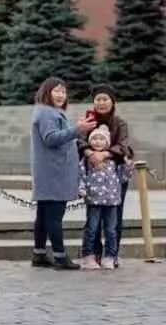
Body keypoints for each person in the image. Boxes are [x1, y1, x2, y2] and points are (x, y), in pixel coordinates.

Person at [31, 77, 96, 270]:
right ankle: (60, 257)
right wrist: (77, 130)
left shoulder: (48, 111)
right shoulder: (47, 113)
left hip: (51, 171)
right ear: (46, 92)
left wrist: (76, 129)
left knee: (43, 215)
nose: (61, 95)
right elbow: (51, 139)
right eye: (56, 91)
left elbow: (61, 137)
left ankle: (39, 254)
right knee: (54, 217)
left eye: (63, 91)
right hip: (54, 173)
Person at [77, 83, 133, 267]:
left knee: (114, 217)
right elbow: (78, 140)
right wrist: (90, 154)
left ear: (112, 101)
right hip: (92, 177)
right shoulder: (87, 120)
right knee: (92, 219)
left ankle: (111, 255)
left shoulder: (119, 122)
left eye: (105, 99)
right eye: (98, 99)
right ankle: (92, 254)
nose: (101, 103)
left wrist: (104, 154)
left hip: (114, 178)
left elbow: (124, 146)